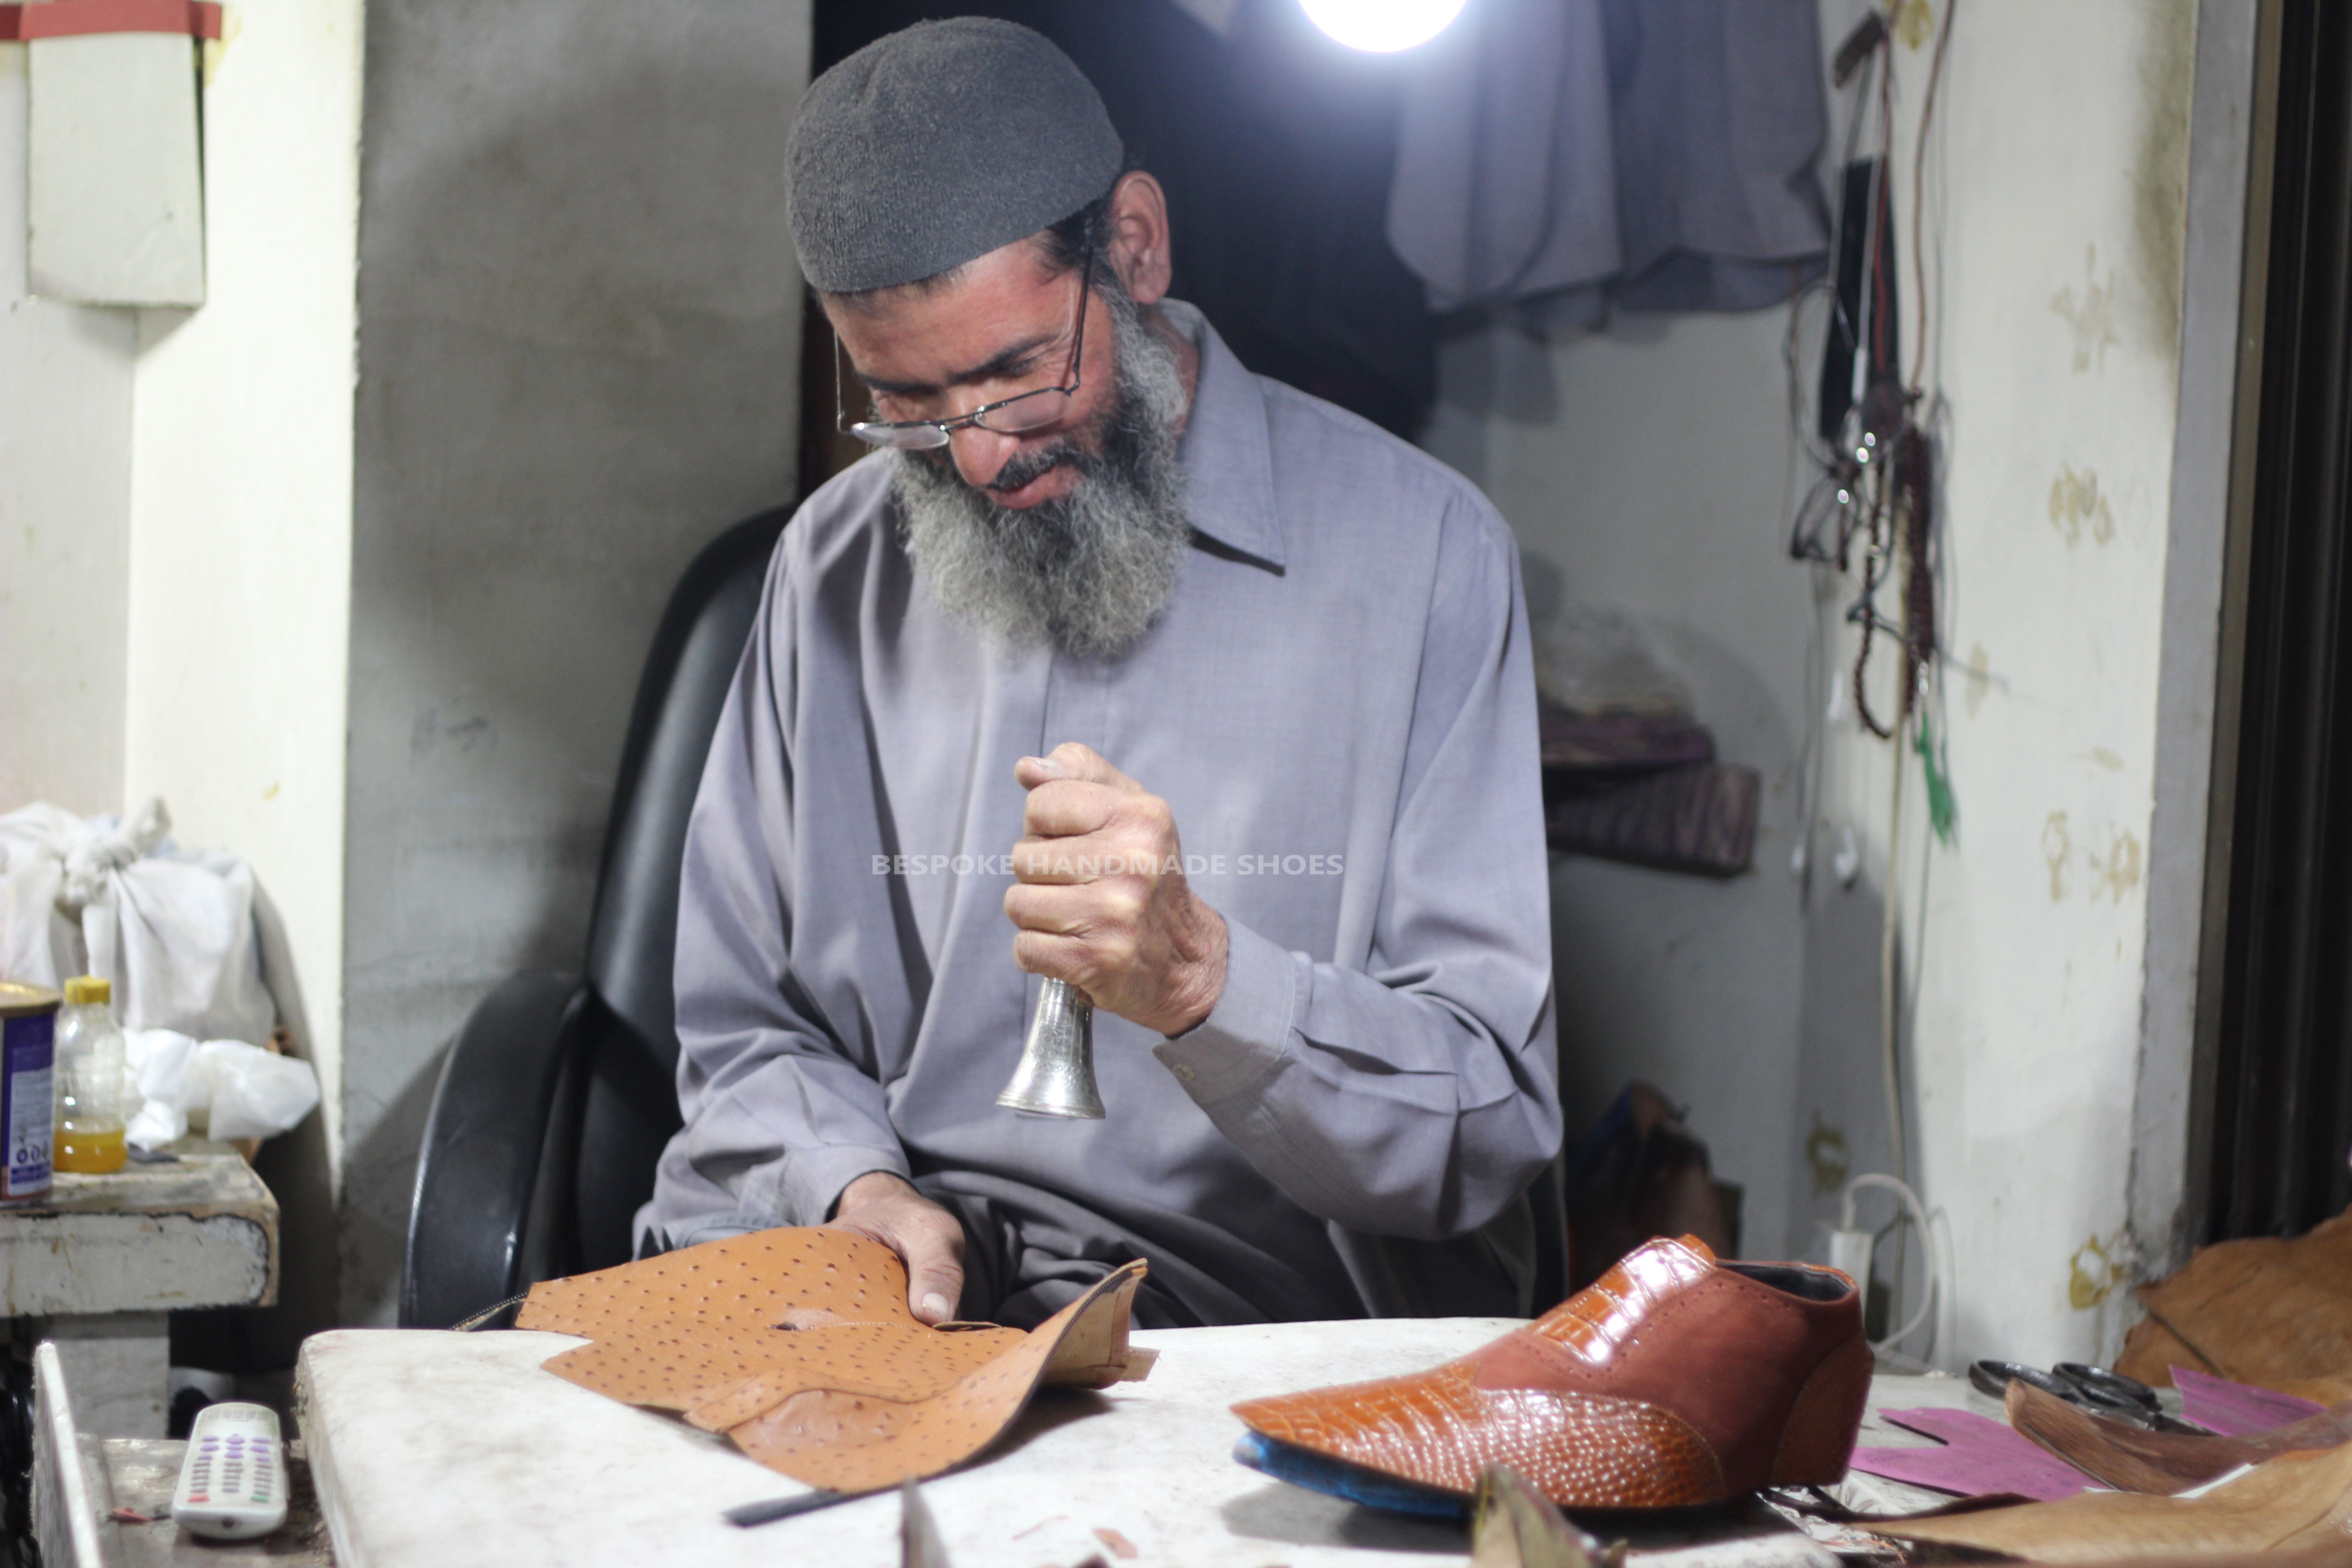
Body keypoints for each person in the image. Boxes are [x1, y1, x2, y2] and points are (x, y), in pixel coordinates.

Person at [641, 17, 1560, 1329]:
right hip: (891, 1289)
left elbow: (1488, 1122)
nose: (976, 457)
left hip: (1243, 1328)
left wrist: (1203, 982)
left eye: (1019, 372)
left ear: (1133, 247)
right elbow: (741, 1032)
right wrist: (855, 1192)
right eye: (908, 404)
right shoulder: (832, 564)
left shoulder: (1428, 557)